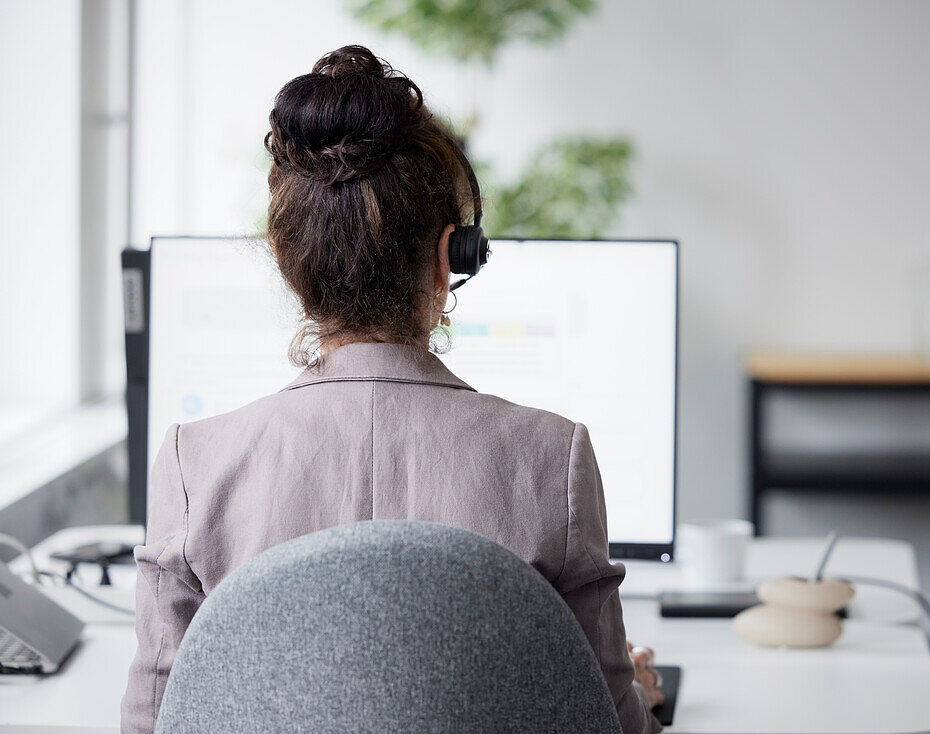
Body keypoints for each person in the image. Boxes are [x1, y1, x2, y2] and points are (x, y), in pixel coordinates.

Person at [121, 45, 663, 733]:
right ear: (447, 258)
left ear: (287, 260)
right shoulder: (553, 459)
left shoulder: (193, 465)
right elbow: (611, 730)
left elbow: (153, 723)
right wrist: (635, 694)